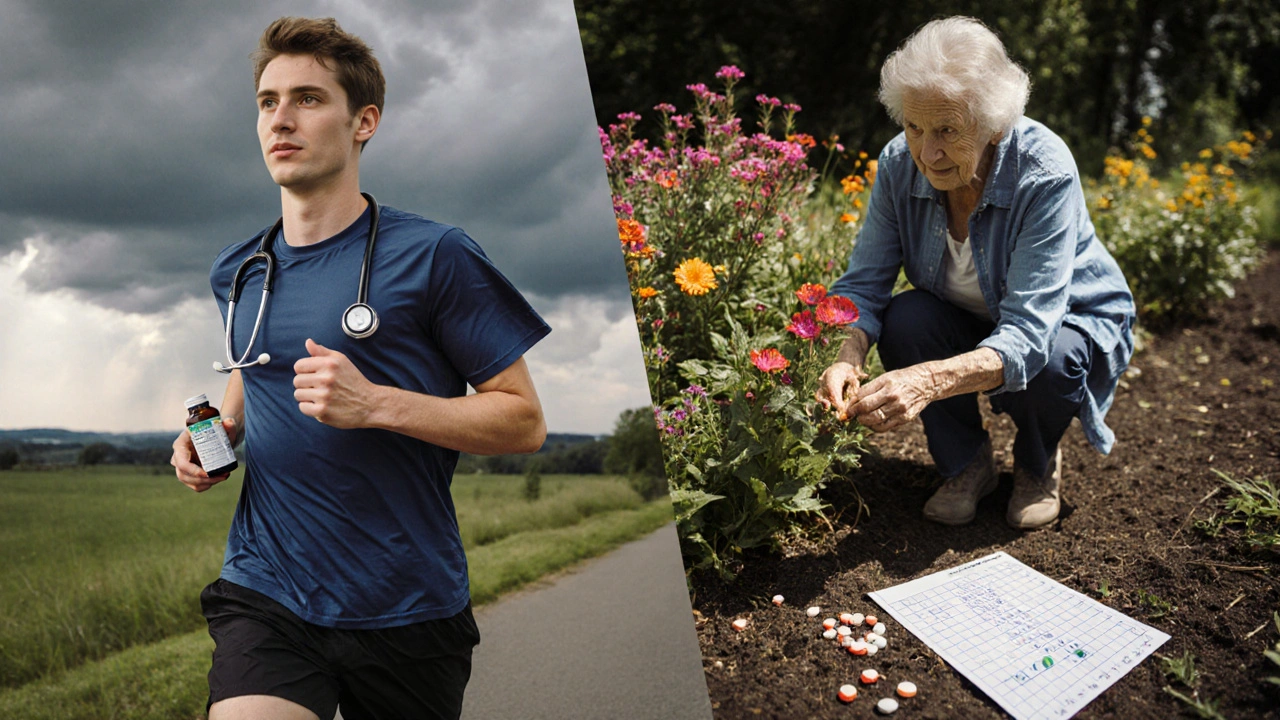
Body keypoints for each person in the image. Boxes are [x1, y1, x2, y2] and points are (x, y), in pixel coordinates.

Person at [169, 17, 550, 720]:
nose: (281, 118)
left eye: (309, 99)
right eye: (267, 101)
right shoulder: (238, 267)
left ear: (363, 121)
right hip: (268, 588)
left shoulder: (438, 256)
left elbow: (524, 422)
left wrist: (376, 403)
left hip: (406, 602)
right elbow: (252, 363)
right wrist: (215, 433)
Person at [816, 17, 1135, 530]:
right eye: (915, 127)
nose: (927, 151)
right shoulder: (900, 163)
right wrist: (846, 356)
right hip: (966, 316)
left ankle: (1036, 464)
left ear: (994, 124)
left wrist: (927, 380)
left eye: (947, 130)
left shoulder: (1044, 171)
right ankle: (967, 466)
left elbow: (1030, 333)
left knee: (1052, 362)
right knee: (906, 318)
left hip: (1060, 324)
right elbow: (863, 285)